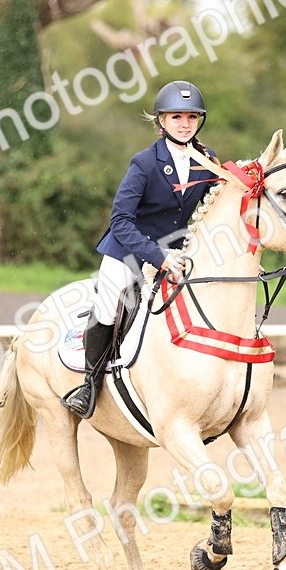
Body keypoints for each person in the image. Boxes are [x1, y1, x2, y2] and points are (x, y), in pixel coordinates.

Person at [61, 80, 218, 419]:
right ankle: (89, 384)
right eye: (176, 117)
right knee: (108, 306)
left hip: (178, 253)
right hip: (129, 249)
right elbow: (120, 220)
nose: (185, 124)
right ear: (161, 121)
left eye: (192, 117)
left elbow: (221, 198)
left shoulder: (207, 161)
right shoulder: (144, 163)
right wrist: (156, 256)